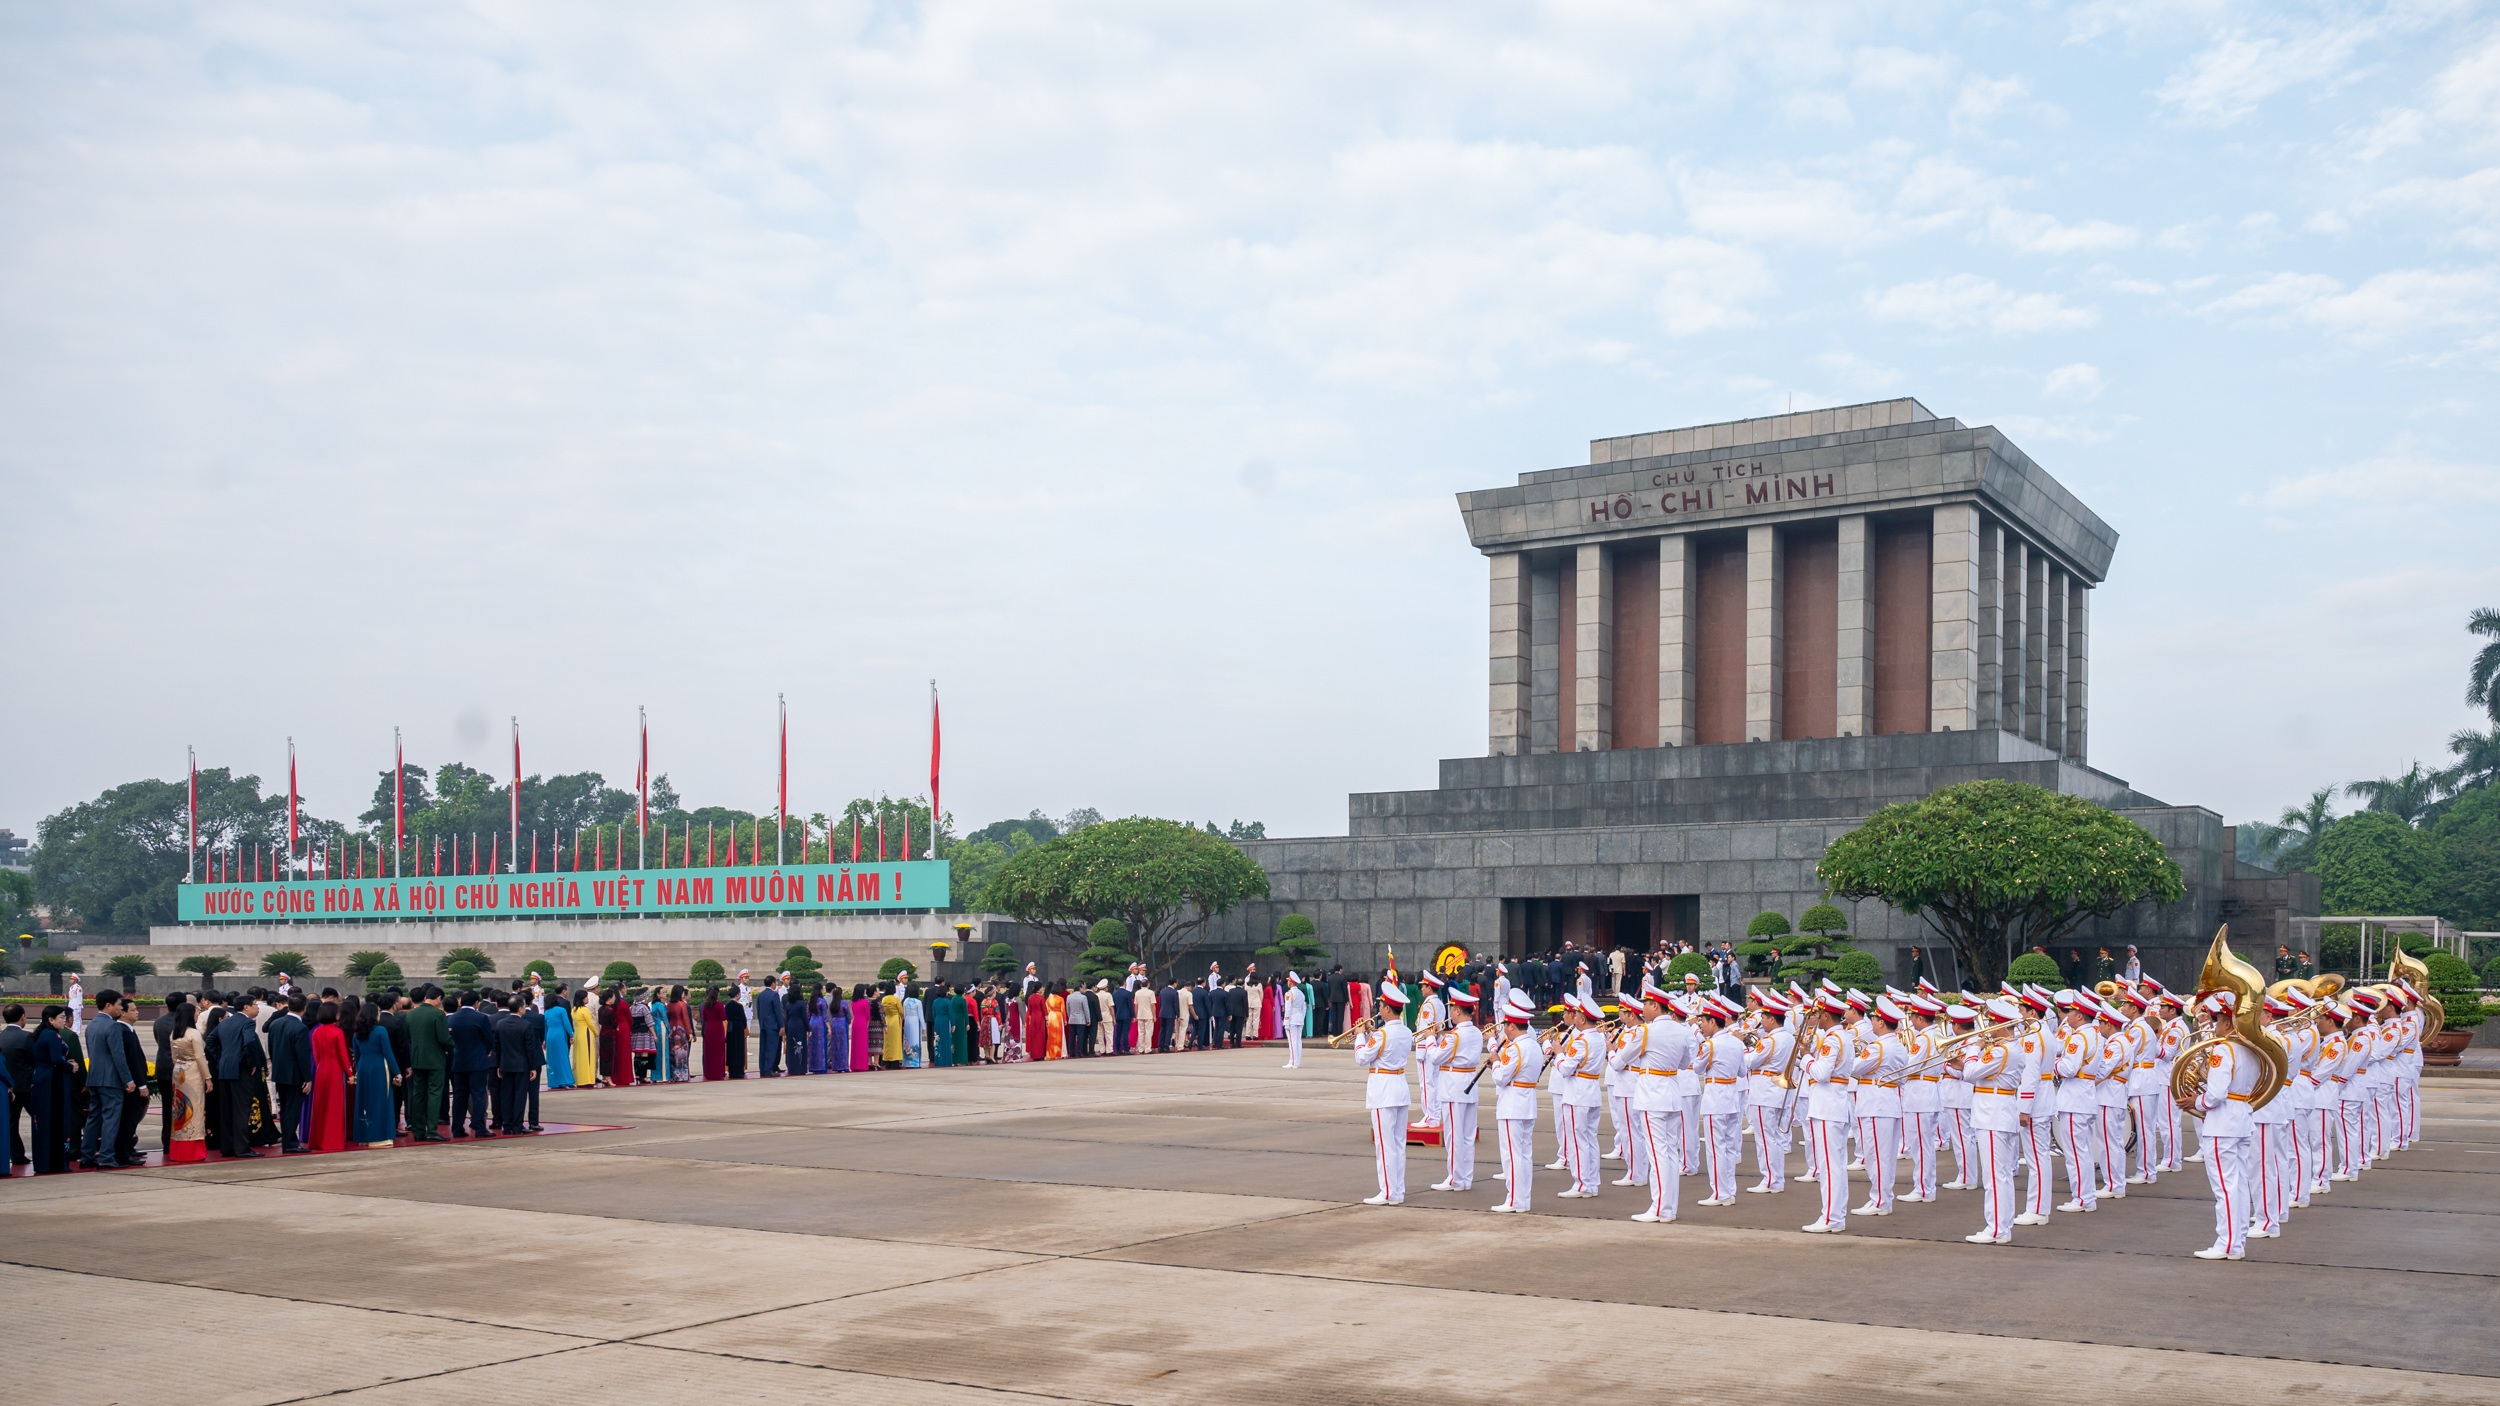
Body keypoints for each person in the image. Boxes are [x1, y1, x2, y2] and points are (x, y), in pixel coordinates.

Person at [2190, 990, 2260, 1260]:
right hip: (2241, 1117)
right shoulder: (2249, 1047)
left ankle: (2227, 1243)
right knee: (2239, 1184)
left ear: (2228, 1023)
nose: (2216, 1025)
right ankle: (2237, 1240)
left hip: (2223, 1123)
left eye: (2218, 1020)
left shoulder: (2225, 1048)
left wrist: (2196, 1102)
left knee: (2225, 1187)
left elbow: (2216, 1094)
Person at [1796, 991, 1853, 1234]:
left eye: (1818, 1014)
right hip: (1832, 1104)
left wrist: (1805, 1057)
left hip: (1829, 1105)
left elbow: (1821, 1074)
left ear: (1826, 1015)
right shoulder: (1840, 1037)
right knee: (1834, 1164)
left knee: (1830, 1165)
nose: (1815, 1018)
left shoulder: (1832, 1040)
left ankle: (1831, 1217)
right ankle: (1834, 1215)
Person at [1486, 990, 1545, 1212]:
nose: (1504, 1030)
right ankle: (1522, 1199)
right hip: (1527, 1101)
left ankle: (1514, 1199)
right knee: (1523, 1154)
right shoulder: (1533, 1045)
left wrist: (1495, 1062)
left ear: (1512, 1026)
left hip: (1513, 1103)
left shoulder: (1515, 1048)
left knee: (1512, 1155)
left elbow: (1501, 1078)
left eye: (1505, 1026)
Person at [1355, 982, 1414, 1206]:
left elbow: (1361, 1058)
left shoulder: (1381, 1034)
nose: (1379, 1008)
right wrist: (1370, 1034)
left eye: (1381, 1005)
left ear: (1388, 1009)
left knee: (1385, 1144)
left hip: (1384, 1089)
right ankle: (1397, 1190)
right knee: (1398, 1144)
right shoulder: (1406, 1031)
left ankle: (1388, 1192)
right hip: (1399, 1086)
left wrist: (1361, 1036)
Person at [79, 989, 136, 1169]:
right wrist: (128, 1080)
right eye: (119, 1004)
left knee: (94, 1117)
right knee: (111, 1117)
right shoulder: (112, 1026)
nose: (121, 1008)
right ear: (108, 1005)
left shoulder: (92, 1024)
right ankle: (106, 1156)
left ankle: (87, 1156)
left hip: (95, 1076)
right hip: (111, 1079)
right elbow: (118, 1056)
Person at [213, 993, 268, 1159]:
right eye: (255, 1005)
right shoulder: (247, 1023)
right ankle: (242, 1148)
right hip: (240, 1071)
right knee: (242, 1110)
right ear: (246, 1007)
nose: (258, 1008)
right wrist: (251, 1063)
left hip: (225, 1070)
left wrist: (221, 1058)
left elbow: (210, 1039)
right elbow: (250, 1042)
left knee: (227, 1110)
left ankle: (228, 1147)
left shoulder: (226, 1021)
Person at [350, 998, 402, 1145]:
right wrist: (397, 1072)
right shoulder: (380, 1031)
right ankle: (380, 1135)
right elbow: (388, 1053)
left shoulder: (356, 1034)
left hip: (363, 1068)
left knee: (365, 1101)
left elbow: (357, 1055)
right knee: (381, 1100)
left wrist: (358, 1072)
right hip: (379, 1068)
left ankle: (364, 1136)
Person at [266, 994, 312, 1154]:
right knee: (292, 1109)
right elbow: (303, 1055)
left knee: (284, 1108)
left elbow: (271, 1048)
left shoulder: (276, 1024)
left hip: (279, 1072)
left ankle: (288, 1140)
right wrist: (307, 1077)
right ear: (304, 1008)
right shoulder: (300, 1028)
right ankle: (290, 1142)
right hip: (295, 1075)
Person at [402, 988, 449, 1141]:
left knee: (418, 1094)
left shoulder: (411, 1014)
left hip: (417, 1059)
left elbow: (408, 1036)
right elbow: (444, 1038)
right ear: (438, 998)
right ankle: (432, 1130)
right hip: (435, 1060)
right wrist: (452, 1046)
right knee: (434, 1094)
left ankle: (418, 1130)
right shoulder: (438, 1014)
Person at [448, 991, 495, 1139]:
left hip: (459, 1061)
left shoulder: (452, 1018)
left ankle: (457, 1127)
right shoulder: (481, 1018)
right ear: (476, 1003)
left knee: (459, 1096)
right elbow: (489, 1040)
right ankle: (479, 1127)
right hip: (477, 1062)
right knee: (478, 1095)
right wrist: (484, 1051)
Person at [544, 993, 576, 1091]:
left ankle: (554, 1081)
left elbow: (545, 1027)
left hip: (549, 1036)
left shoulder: (546, 1012)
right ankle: (566, 1081)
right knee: (563, 1057)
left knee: (552, 1059)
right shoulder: (561, 1010)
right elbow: (567, 1023)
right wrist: (571, 1034)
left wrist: (544, 1040)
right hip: (559, 1035)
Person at [757, 973, 786, 1077]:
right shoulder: (774, 995)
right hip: (773, 1025)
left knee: (763, 1048)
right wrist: (781, 1025)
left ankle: (763, 1068)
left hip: (764, 1025)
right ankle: (769, 1069)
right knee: (772, 1048)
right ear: (773, 984)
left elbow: (759, 1011)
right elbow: (777, 1011)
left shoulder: (760, 995)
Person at [1280, 974, 1308, 1069]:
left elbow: (1288, 1009)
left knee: (1292, 1041)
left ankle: (1292, 1061)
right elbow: (1304, 1007)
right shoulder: (1301, 993)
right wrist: (1302, 1017)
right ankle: (1297, 1061)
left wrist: (1286, 1021)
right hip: (1299, 1018)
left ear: (1291, 982)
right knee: (1298, 1041)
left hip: (1292, 1019)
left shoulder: (1289, 994)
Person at [701, 989, 728, 1081]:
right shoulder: (719, 1005)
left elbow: (704, 1018)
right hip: (718, 1028)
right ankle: (718, 1073)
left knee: (709, 1052)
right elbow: (724, 1017)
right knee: (718, 1052)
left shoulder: (706, 1005)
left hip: (709, 1028)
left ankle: (709, 1073)